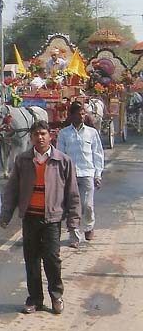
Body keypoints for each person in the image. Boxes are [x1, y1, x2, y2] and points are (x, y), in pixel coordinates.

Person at [0, 120, 81, 315]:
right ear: (31, 138)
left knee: (52, 259)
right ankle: (34, 299)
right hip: (30, 218)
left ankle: (56, 296)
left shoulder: (63, 161)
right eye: (36, 134)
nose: (40, 137)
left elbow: (73, 193)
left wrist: (73, 221)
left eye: (43, 134)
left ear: (50, 136)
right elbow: (12, 189)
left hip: (52, 219)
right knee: (32, 260)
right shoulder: (23, 160)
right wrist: (6, 214)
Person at [56, 101, 104, 241]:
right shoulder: (64, 134)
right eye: (78, 114)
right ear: (71, 115)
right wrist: (60, 175)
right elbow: (60, 155)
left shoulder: (92, 133)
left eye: (83, 114)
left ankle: (89, 227)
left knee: (87, 205)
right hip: (70, 175)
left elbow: (98, 154)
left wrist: (98, 175)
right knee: (72, 206)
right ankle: (74, 235)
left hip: (87, 173)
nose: (82, 116)